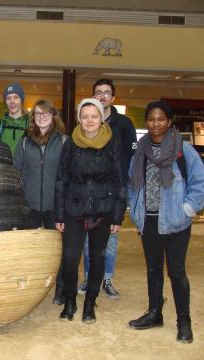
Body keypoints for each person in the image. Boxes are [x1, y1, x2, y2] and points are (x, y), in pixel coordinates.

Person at [127, 101, 204, 344]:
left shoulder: (184, 149)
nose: (156, 123)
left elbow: (200, 182)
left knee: (177, 271)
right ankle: (154, 313)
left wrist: (187, 209)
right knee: (153, 269)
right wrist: (135, 209)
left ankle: (184, 320)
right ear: (146, 122)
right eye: (151, 119)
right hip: (148, 221)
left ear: (169, 122)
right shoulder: (140, 149)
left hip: (175, 221)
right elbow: (132, 182)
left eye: (161, 119)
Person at [55, 98, 126, 324]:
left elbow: (120, 180)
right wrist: (59, 213)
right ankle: (70, 301)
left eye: (94, 116)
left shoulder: (112, 142)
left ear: (101, 118)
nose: (89, 120)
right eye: (84, 116)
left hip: (102, 210)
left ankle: (89, 304)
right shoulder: (71, 143)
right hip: (74, 209)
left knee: (97, 259)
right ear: (79, 118)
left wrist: (118, 215)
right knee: (69, 258)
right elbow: (61, 179)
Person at [79, 78, 137, 300]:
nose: (102, 96)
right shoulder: (86, 123)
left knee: (110, 239)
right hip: (89, 193)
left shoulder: (124, 124)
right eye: (98, 92)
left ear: (113, 98)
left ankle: (108, 279)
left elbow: (131, 156)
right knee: (87, 239)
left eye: (106, 93)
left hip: (114, 191)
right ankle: (88, 277)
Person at [13, 100, 67, 305]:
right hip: (30, 205)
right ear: (33, 118)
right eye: (37, 113)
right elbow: (17, 173)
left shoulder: (63, 141)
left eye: (46, 113)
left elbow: (68, 175)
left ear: (54, 115)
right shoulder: (25, 143)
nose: (41, 117)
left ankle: (60, 289)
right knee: (30, 251)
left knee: (58, 251)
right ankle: (30, 289)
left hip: (55, 206)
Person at [0, 83, 29, 155]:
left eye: (16, 97)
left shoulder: (32, 125)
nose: (12, 101)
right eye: (8, 98)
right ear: (5, 102)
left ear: (22, 100)